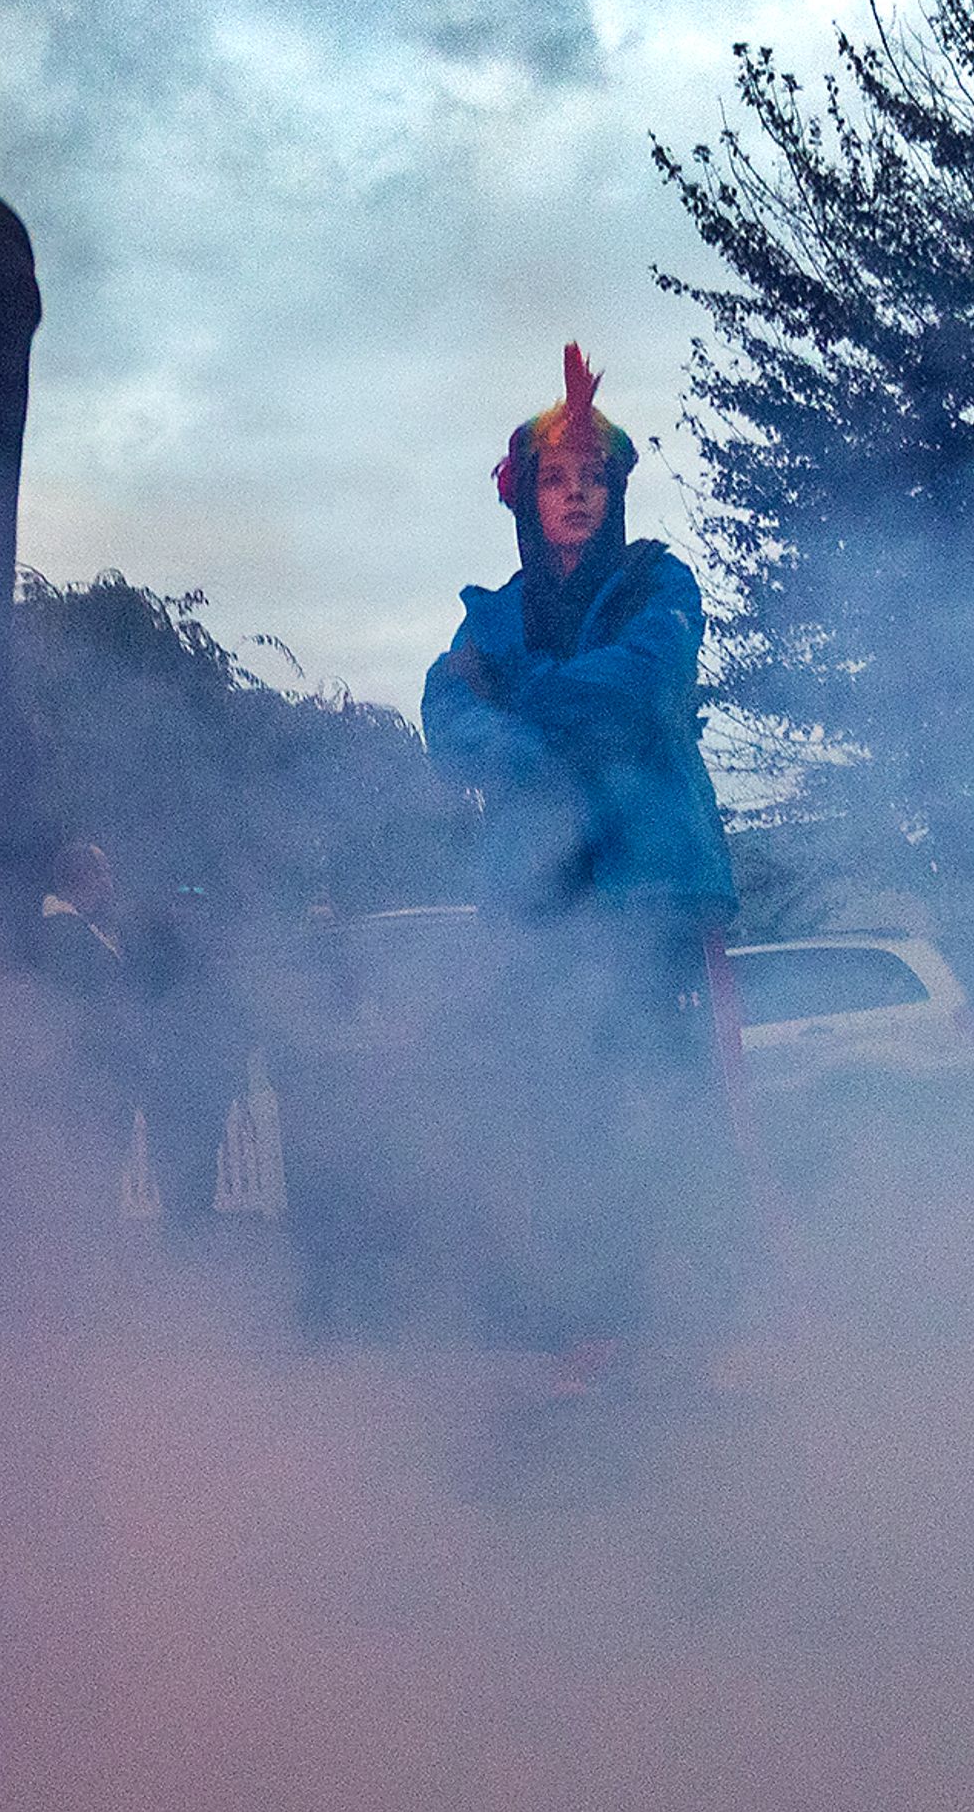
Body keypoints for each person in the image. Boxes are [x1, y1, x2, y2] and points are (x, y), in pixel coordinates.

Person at [419, 345, 739, 1393]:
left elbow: (646, 681)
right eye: (556, 479)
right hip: (537, 899)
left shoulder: (661, 582)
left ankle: (685, 1323)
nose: (574, 495)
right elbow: (446, 711)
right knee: (557, 1115)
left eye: (591, 480)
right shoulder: (492, 616)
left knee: (656, 1099)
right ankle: (582, 1331)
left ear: (614, 496)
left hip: (644, 887)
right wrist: (510, 739)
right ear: (526, 499)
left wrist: (525, 707)